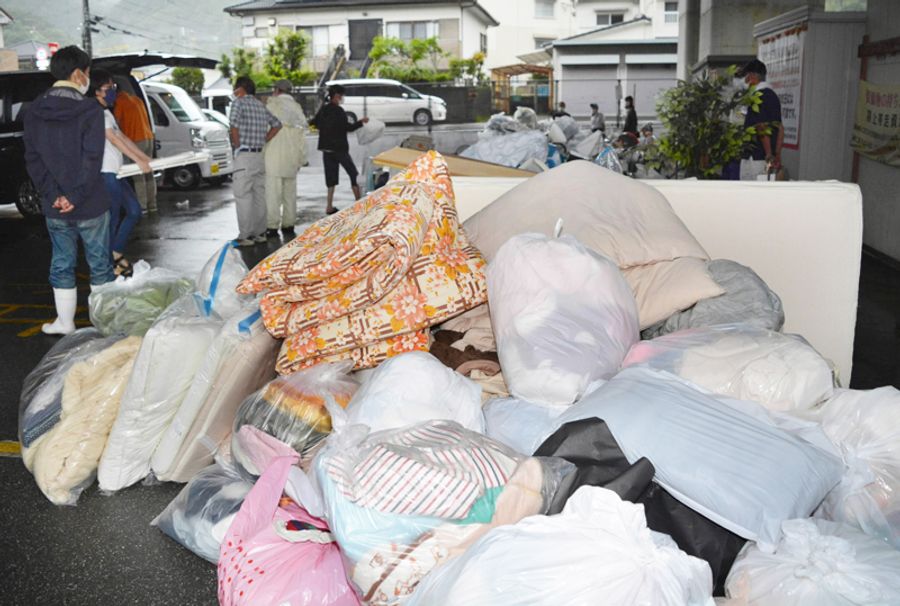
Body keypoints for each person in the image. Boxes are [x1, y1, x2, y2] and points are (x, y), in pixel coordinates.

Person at [23, 45, 115, 335]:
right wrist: (75, 196)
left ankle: (64, 323)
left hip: (55, 205)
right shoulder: (90, 109)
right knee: (99, 263)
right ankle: (103, 324)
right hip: (90, 203)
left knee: (62, 261)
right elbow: (92, 158)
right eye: (87, 73)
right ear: (78, 74)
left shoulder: (34, 110)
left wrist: (54, 196)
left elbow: (33, 159)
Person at [90, 68, 153, 277]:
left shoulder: (107, 112)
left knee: (134, 211)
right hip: (105, 173)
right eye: (108, 88)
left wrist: (144, 159)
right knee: (113, 219)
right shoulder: (97, 112)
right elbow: (113, 138)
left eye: (113, 87)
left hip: (116, 172)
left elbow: (123, 137)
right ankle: (109, 266)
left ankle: (115, 252)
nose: (113, 92)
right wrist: (138, 160)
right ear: (97, 91)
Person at [229, 75, 282, 246]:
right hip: (259, 156)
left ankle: (245, 236)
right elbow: (277, 124)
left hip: (244, 155)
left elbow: (234, 126)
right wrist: (265, 139)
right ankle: (260, 234)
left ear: (240, 89)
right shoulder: (261, 105)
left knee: (243, 195)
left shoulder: (239, 102)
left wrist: (237, 145)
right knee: (259, 195)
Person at [310, 84, 368, 215]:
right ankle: (359, 203)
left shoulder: (323, 109)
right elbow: (348, 128)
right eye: (342, 96)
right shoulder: (339, 111)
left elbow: (313, 123)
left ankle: (329, 206)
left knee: (330, 178)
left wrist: (325, 129)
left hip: (326, 149)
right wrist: (360, 122)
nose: (343, 98)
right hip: (339, 149)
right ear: (337, 96)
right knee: (353, 173)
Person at [264, 79, 308, 239]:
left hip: (273, 156)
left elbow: (265, 130)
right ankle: (289, 224)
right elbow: (303, 135)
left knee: (273, 193)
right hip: (292, 157)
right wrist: (301, 158)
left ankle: (272, 225)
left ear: (276, 89)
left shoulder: (272, 106)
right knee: (290, 192)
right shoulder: (297, 109)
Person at [113, 84, 157, 213]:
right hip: (148, 137)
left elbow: (116, 124)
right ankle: (152, 204)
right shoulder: (137, 100)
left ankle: (142, 206)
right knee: (149, 172)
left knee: (138, 174)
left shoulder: (120, 102)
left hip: (135, 139)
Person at [738, 58, 783, 181]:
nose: (744, 80)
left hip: (755, 158)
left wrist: (768, 153)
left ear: (751, 76)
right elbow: (780, 127)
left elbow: (761, 126)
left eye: (745, 76)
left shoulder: (757, 97)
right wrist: (776, 154)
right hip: (765, 158)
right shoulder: (772, 95)